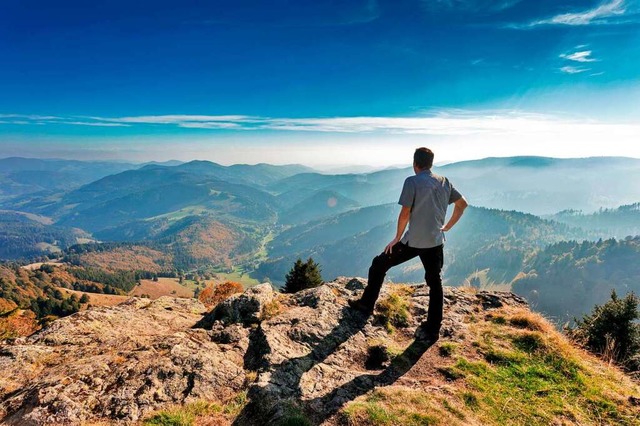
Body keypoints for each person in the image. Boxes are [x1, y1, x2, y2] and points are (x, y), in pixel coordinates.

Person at [348, 147, 468, 341]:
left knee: (379, 264)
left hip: (413, 241)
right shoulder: (445, 182)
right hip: (435, 241)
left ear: (415, 164)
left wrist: (397, 237)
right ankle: (432, 329)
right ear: (431, 163)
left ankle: (366, 305)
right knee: (435, 283)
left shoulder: (412, 181)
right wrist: (448, 226)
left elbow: (405, 212)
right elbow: (463, 204)